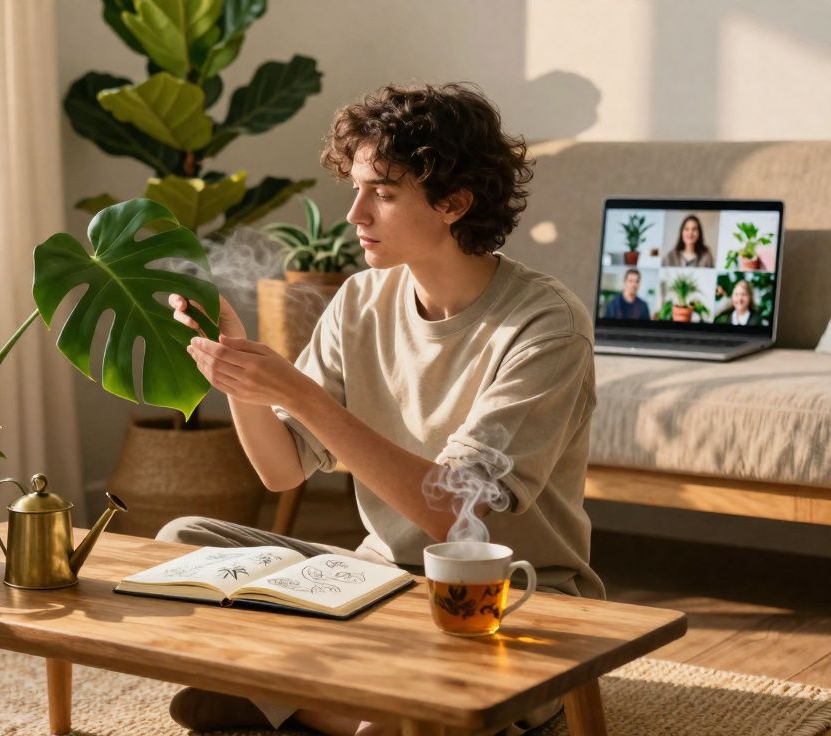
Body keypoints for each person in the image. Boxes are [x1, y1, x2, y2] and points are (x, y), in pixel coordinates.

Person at [162, 82, 604, 736]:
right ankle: (366, 708)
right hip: (380, 583)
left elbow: (451, 512)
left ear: (454, 203)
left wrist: (298, 393)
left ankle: (308, 699)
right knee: (186, 544)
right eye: (356, 188)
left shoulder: (546, 327)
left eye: (384, 194)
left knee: (458, 687)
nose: (354, 214)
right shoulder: (360, 301)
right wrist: (237, 368)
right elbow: (282, 471)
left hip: (507, 598)